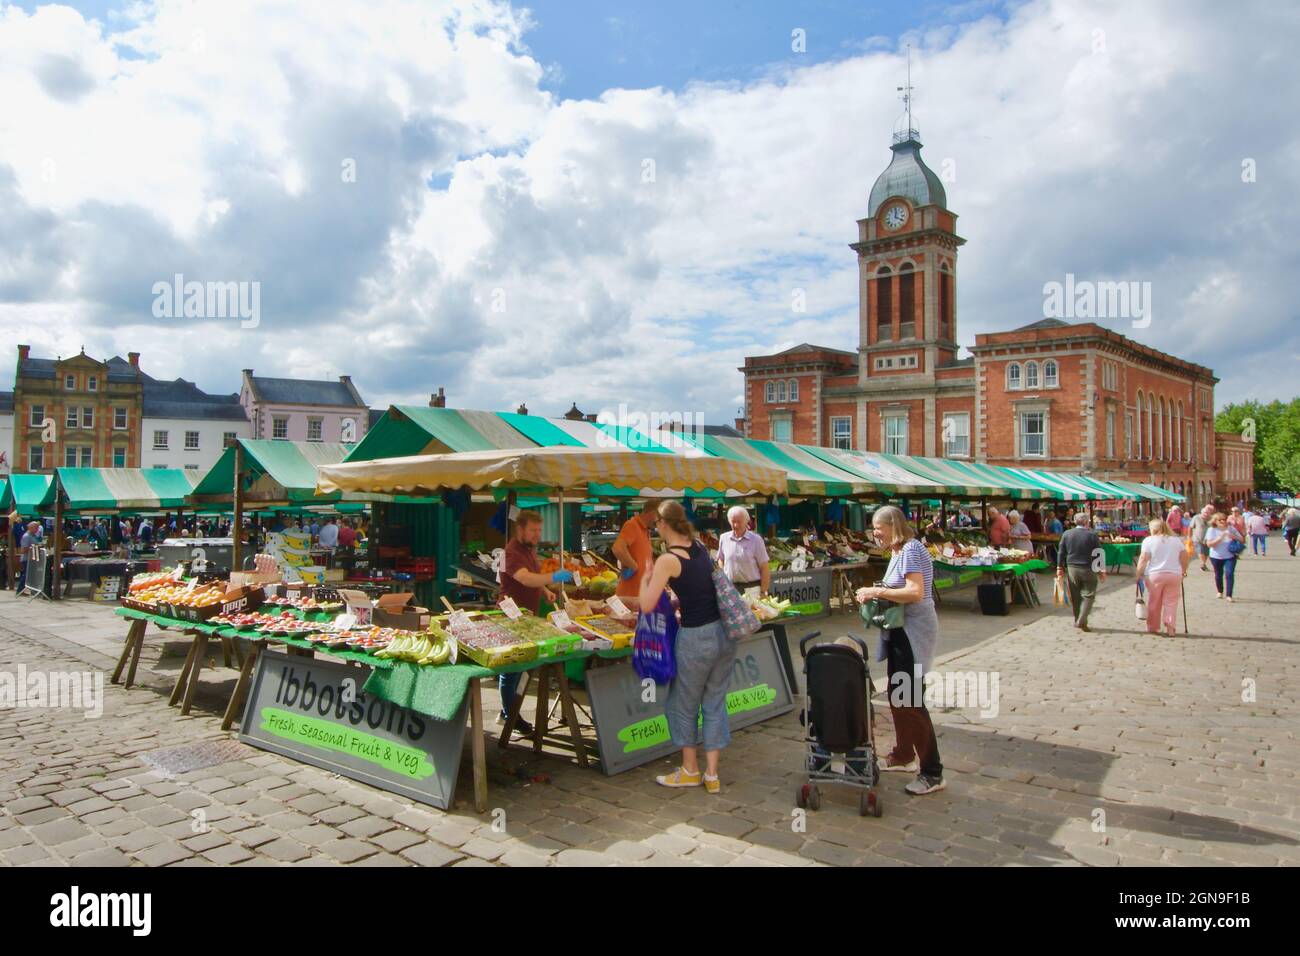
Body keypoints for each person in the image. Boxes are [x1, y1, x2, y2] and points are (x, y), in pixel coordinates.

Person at [640, 500, 730, 794]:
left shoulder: (668, 559)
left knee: (682, 705)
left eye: (656, 524)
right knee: (715, 703)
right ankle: (712, 775)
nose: (656, 529)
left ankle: (690, 770)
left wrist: (645, 578)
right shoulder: (700, 547)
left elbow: (647, 603)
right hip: (723, 633)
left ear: (664, 524)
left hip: (695, 637)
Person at [855, 505, 945, 796]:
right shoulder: (896, 551)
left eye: (877, 528)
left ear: (892, 525)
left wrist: (876, 592)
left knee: (911, 699)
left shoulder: (911, 549)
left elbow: (915, 592)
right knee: (897, 694)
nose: (875, 533)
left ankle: (932, 771)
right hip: (899, 630)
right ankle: (904, 753)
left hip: (913, 632)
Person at [498, 510, 573, 734]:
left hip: (527, 616)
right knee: (511, 669)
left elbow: (534, 576)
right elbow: (524, 577)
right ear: (520, 529)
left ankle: (509, 709)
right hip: (511, 618)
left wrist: (544, 591)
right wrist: (553, 578)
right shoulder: (510, 552)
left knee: (522, 670)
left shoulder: (529, 549)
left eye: (539, 530)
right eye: (533, 530)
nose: (537, 535)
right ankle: (509, 714)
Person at [1135, 518, 1189, 636]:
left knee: (1154, 601)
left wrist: (1138, 573)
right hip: (1174, 574)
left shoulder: (1148, 541)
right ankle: (1170, 626)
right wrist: (1184, 570)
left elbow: (1144, 559)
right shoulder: (1176, 540)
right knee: (1171, 602)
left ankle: (1153, 627)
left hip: (1155, 574)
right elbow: (1184, 555)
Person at [1056, 512, 1106, 631]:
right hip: (1088, 568)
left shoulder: (1067, 534)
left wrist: (1059, 567)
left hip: (1072, 568)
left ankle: (1078, 619)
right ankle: (1082, 620)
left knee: (1076, 596)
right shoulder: (1092, 535)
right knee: (1089, 595)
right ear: (1086, 522)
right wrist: (1101, 570)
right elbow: (1098, 552)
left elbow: (1061, 551)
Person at [717, 505, 770, 595]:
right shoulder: (724, 538)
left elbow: (764, 568)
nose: (736, 525)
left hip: (752, 589)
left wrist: (763, 591)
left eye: (739, 522)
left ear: (747, 521)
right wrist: (724, 575)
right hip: (731, 588)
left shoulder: (756, 540)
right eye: (733, 522)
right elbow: (720, 559)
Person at [611, 500, 657, 597]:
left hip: (640, 595)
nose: (660, 522)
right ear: (653, 513)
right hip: (630, 596)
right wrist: (633, 566)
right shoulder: (632, 525)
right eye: (659, 518)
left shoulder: (645, 530)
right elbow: (617, 548)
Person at [1205, 513, 1243, 602]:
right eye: (1220, 520)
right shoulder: (1211, 530)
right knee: (1218, 574)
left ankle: (1229, 595)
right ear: (1215, 521)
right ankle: (1220, 591)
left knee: (1229, 573)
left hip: (1230, 556)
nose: (1222, 521)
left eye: (1224, 519)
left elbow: (1242, 539)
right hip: (1216, 556)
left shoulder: (1231, 528)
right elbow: (1209, 544)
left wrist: (1234, 536)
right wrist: (1220, 537)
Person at [1187, 504, 1213, 572]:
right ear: (1202, 512)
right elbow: (1190, 527)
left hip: (1208, 539)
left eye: (1208, 513)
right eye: (1205, 513)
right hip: (1197, 538)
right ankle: (1203, 564)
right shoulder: (1196, 517)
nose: (1206, 514)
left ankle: (1203, 564)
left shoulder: (1212, 518)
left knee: (1206, 553)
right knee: (1201, 551)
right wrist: (1189, 537)